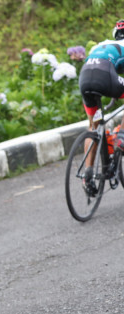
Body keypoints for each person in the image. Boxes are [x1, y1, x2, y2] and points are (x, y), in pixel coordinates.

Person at [79, 19, 124, 194]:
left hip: (85, 77)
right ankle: (121, 138)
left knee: (94, 125)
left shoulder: (102, 44)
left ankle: (87, 175)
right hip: (105, 75)